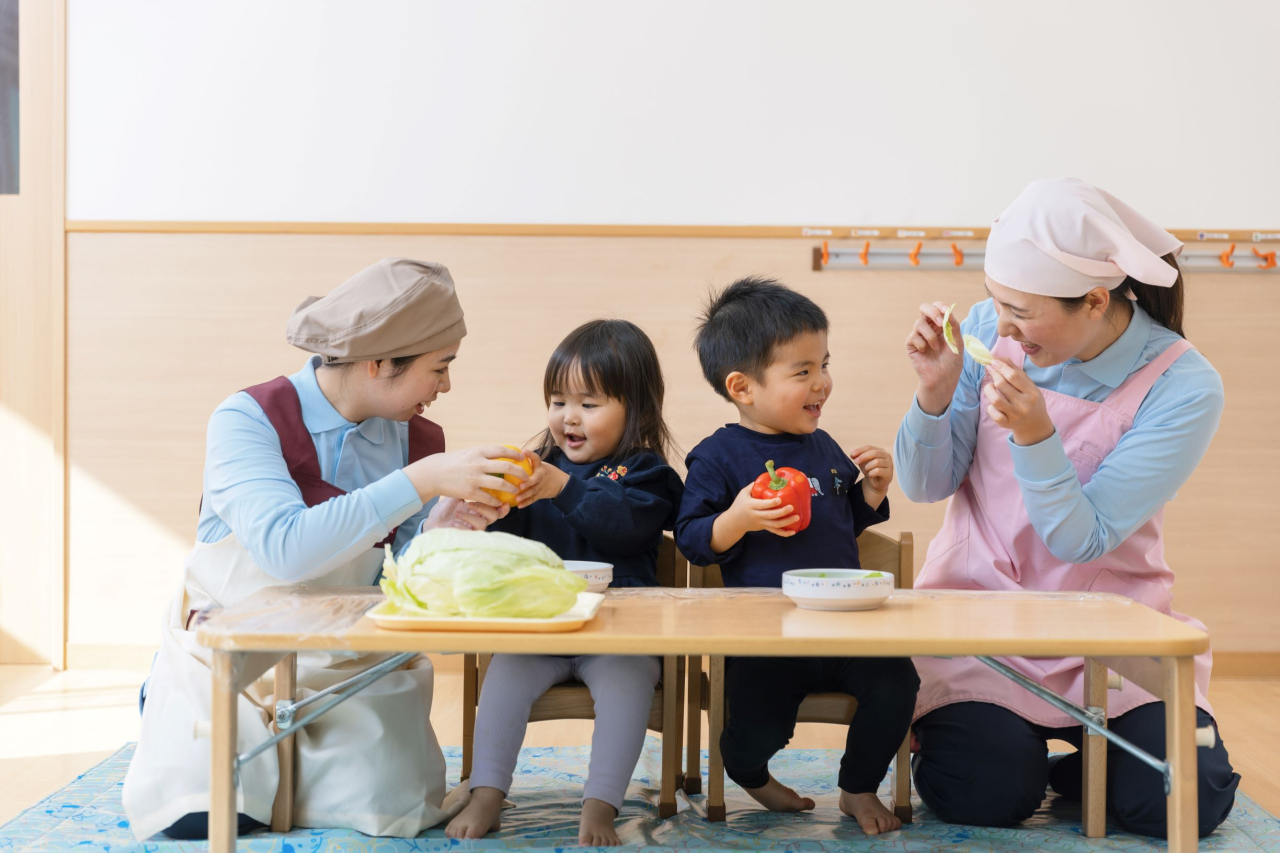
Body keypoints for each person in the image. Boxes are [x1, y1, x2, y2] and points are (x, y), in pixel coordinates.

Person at [123, 258, 533, 841]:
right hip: (233, 649)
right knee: (207, 813)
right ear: (379, 363)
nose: (446, 387)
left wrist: (443, 527)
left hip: (349, 660)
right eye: (439, 369)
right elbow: (284, 551)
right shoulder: (248, 419)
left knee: (388, 808)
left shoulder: (420, 440)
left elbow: (399, 577)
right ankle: (165, 699)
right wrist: (421, 483)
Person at [895, 178, 1240, 837]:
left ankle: (1085, 764)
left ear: (1095, 299)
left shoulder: (1183, 384)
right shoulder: (983, 333)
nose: (1000, 328)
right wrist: (935, 395)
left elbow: (1084, 538)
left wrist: (1034, 434)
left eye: (1020, 311)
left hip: (1110, 636)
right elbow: (924, 484)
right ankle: (1043, 757)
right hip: (980, 627)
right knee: (988, 789)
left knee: (1184, 802)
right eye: (995, 305)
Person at [675, 278, 919, 835]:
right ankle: (750, 774)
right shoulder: (717, 457)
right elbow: (692, 539)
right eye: (802, 370)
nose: (822, 383)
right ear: (743, 387)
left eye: (824, 364)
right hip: (766, 634)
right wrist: (738, 517)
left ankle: (858, 787)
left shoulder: (824, 446)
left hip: (845, 625)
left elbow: (838, 528)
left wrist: (871, 496)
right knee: (752, 723)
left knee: (898, 683)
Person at [446, 319, 684, 846]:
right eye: (557, 400)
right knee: (502, 680)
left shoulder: (648, 475)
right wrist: (493, 508)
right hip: (542, 629)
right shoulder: (541, 471)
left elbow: (623, 527)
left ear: (636, 408)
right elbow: (510, 546)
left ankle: (600, 805)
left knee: (626, 696)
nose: (568, 417)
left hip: (623, 634)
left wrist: (563, 489)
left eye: (589, 403)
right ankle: (488, 791)